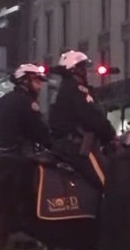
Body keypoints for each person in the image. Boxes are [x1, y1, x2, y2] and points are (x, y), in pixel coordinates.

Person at [48, 50, 118, 190]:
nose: (85, 72)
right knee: (111, 185)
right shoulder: (76, 89)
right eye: (82, 68)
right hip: (76, 147)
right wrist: (111, 134)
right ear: (74, 70)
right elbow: (91, 117)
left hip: (64, 144)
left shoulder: (66, 88)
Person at [0, 63, 54, 155]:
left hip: (1, 153)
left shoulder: (3, 99)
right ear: (25, 81)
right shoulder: (27, 102)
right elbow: (39, 130)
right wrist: (53, 145)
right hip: (20, 155)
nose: (39, 87)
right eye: (36, 81)